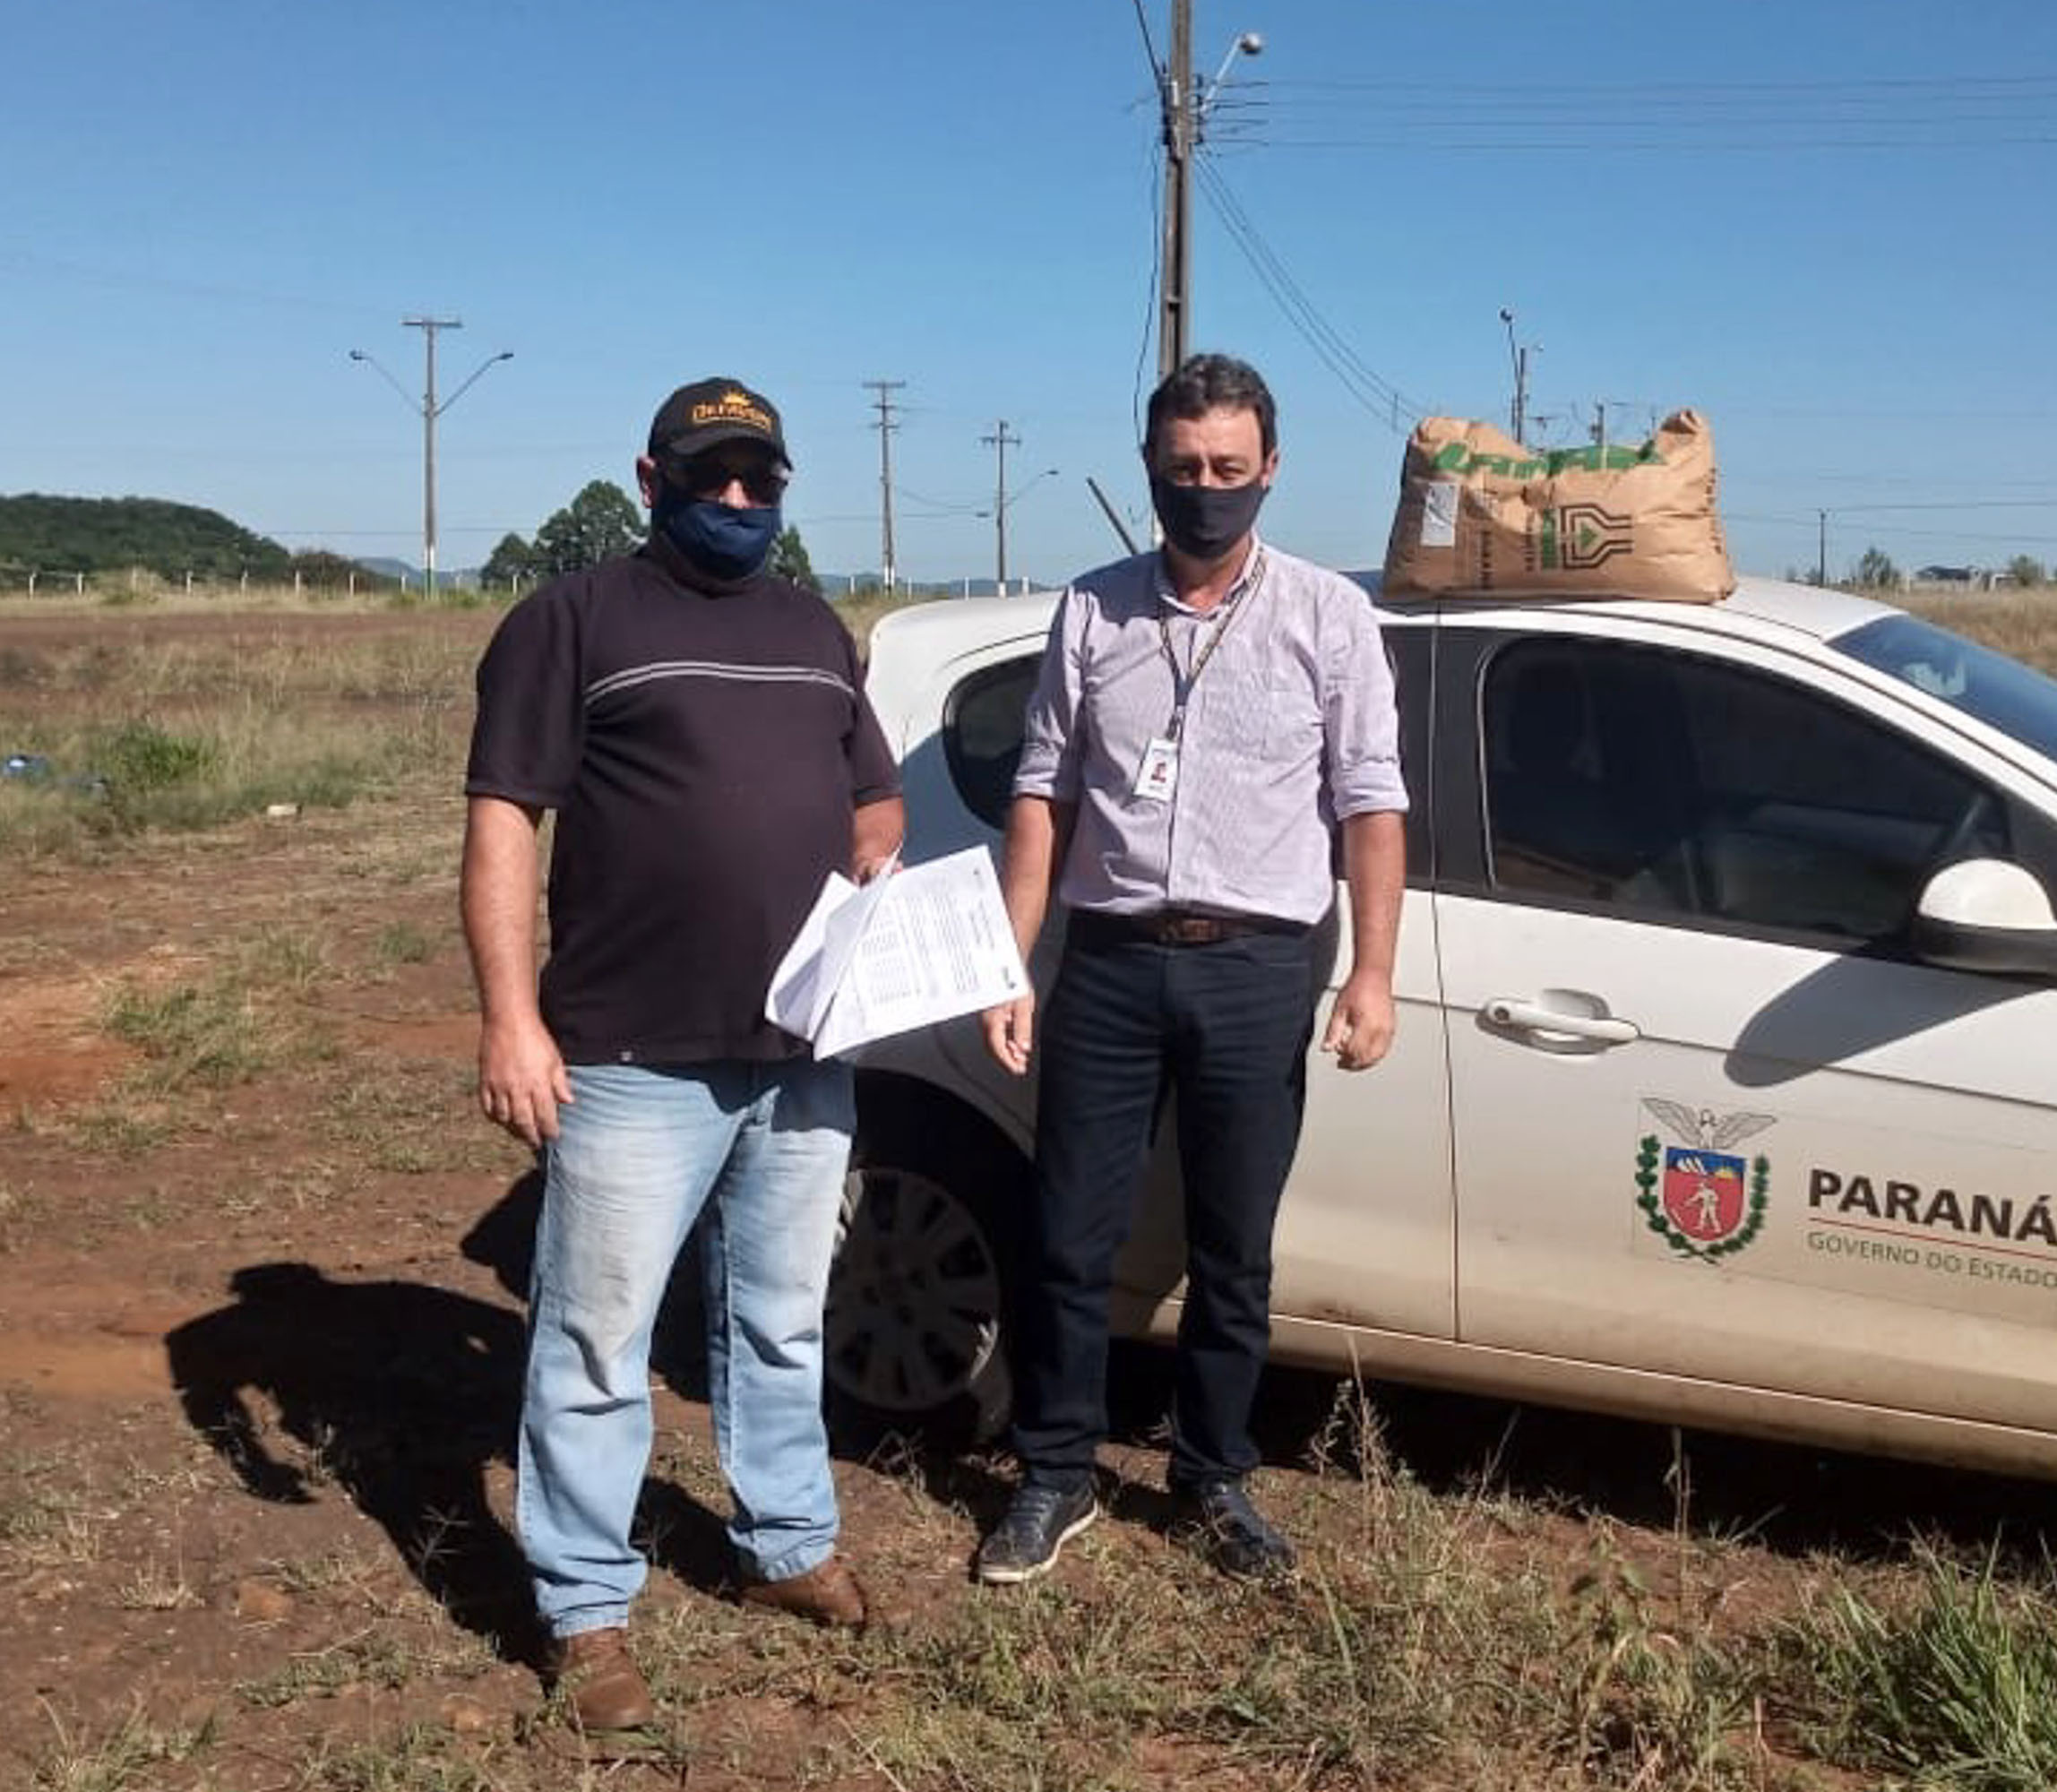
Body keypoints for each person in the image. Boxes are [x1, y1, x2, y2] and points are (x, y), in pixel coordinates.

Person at [460, 378, 904, 1731]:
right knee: (596, 1341)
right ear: (651, 480)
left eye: (758, 481)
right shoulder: (572, 623)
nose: (735, 501)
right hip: (632, 1055)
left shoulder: (818, 630)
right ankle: (586, 1610)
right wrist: (509, 1016)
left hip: (799, 1052)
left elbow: (874, 799)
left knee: (780, 1318)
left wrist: (870, 865)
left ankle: (785, 1545)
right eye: (709, 477)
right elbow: (503, 827)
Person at [975, 353, 1407, 1585]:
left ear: (1270, 469)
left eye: (1227, 469)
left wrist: (1371, 973)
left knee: (1234, 1247)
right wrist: (1014, 963)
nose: (1205, 491)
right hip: (1106, 962)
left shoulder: (1329, 616)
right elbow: (1041, 795)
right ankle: (1056, 1474)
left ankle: (1213, 1477)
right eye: (1182, 471)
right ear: (1151, 472)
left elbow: (1372, 805)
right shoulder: (1091, 611)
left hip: (1258, 966)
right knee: (1068, 1236)